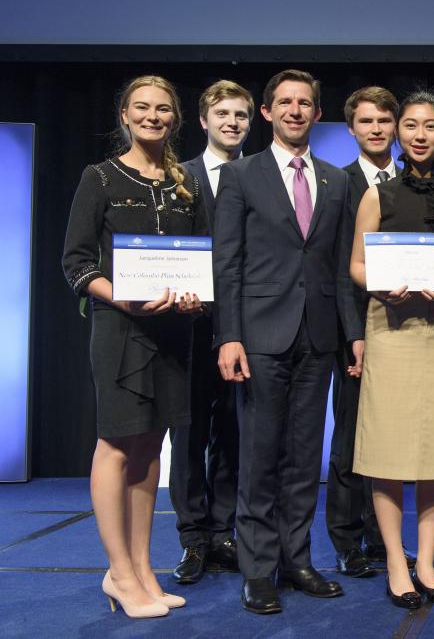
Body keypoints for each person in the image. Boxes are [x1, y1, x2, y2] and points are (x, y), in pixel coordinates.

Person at [214, 69, 364, 615]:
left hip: (319, 335)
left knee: (305, 457)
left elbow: (340, 266)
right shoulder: (241, 175)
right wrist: (228, 336)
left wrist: (354, 335)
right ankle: (257, 571)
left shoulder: (336, 180)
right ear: (266, 112)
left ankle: (296, 559)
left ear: (317, 115)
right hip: (259, 336)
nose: (295, 110)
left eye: (305, 103)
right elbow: (226, 264)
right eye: (285, 102)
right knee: (259, 457)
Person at [62, 75, 205, 619]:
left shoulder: (185, 184)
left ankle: (144, 568)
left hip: (173, 332)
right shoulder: (99, 177)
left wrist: (196, 299)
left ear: (175, 118)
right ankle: (119, 574)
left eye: (163, 108)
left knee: (151, 451)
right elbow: (77, 263)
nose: (152, 116)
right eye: (141, 107)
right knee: (117, 446)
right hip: (120, 331)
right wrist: (125, 300)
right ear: (124, 114)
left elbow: (202, 257)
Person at [350, 91, 434, 610]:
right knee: (388, 450)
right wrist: (381, 285)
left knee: (433, 451)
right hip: (391, 330)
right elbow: (356, 264)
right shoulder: (378, 194)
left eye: (431, 126)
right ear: (399, 134)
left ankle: (426, 562)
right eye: (411, 126)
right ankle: (396, 564)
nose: (420, 135)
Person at [169, 80, 251, 586]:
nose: (232, 122)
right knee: (189, 434)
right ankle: (193, 539)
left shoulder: (262, 176)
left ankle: (224, 533)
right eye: (222, 113)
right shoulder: (181, 178)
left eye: (241, 115)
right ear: (203, 120)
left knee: (235, 435)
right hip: (190, 327)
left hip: (243, 326)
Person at [328, 86, 400, 580]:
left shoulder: (420, 181)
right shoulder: (339, 183)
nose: (376, 129)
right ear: (351, 128)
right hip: (358, 331)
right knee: (352, 438)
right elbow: (339, 266)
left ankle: (384, 540)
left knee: (390, 439)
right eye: (366, 121)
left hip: (410, 332)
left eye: (384, 120)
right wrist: (355, 333)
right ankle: (348, 540)